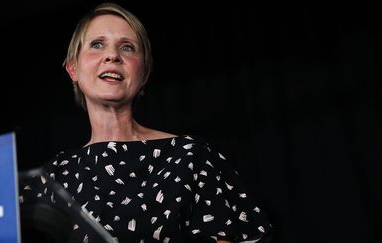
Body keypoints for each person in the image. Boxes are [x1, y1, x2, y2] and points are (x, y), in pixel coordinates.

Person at [19, 2, 273, 243]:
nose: (112, 56)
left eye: (127, 47)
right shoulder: (53, 177)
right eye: (97, 44)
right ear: (73, 68)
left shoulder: (191, 157)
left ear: (144, 73)